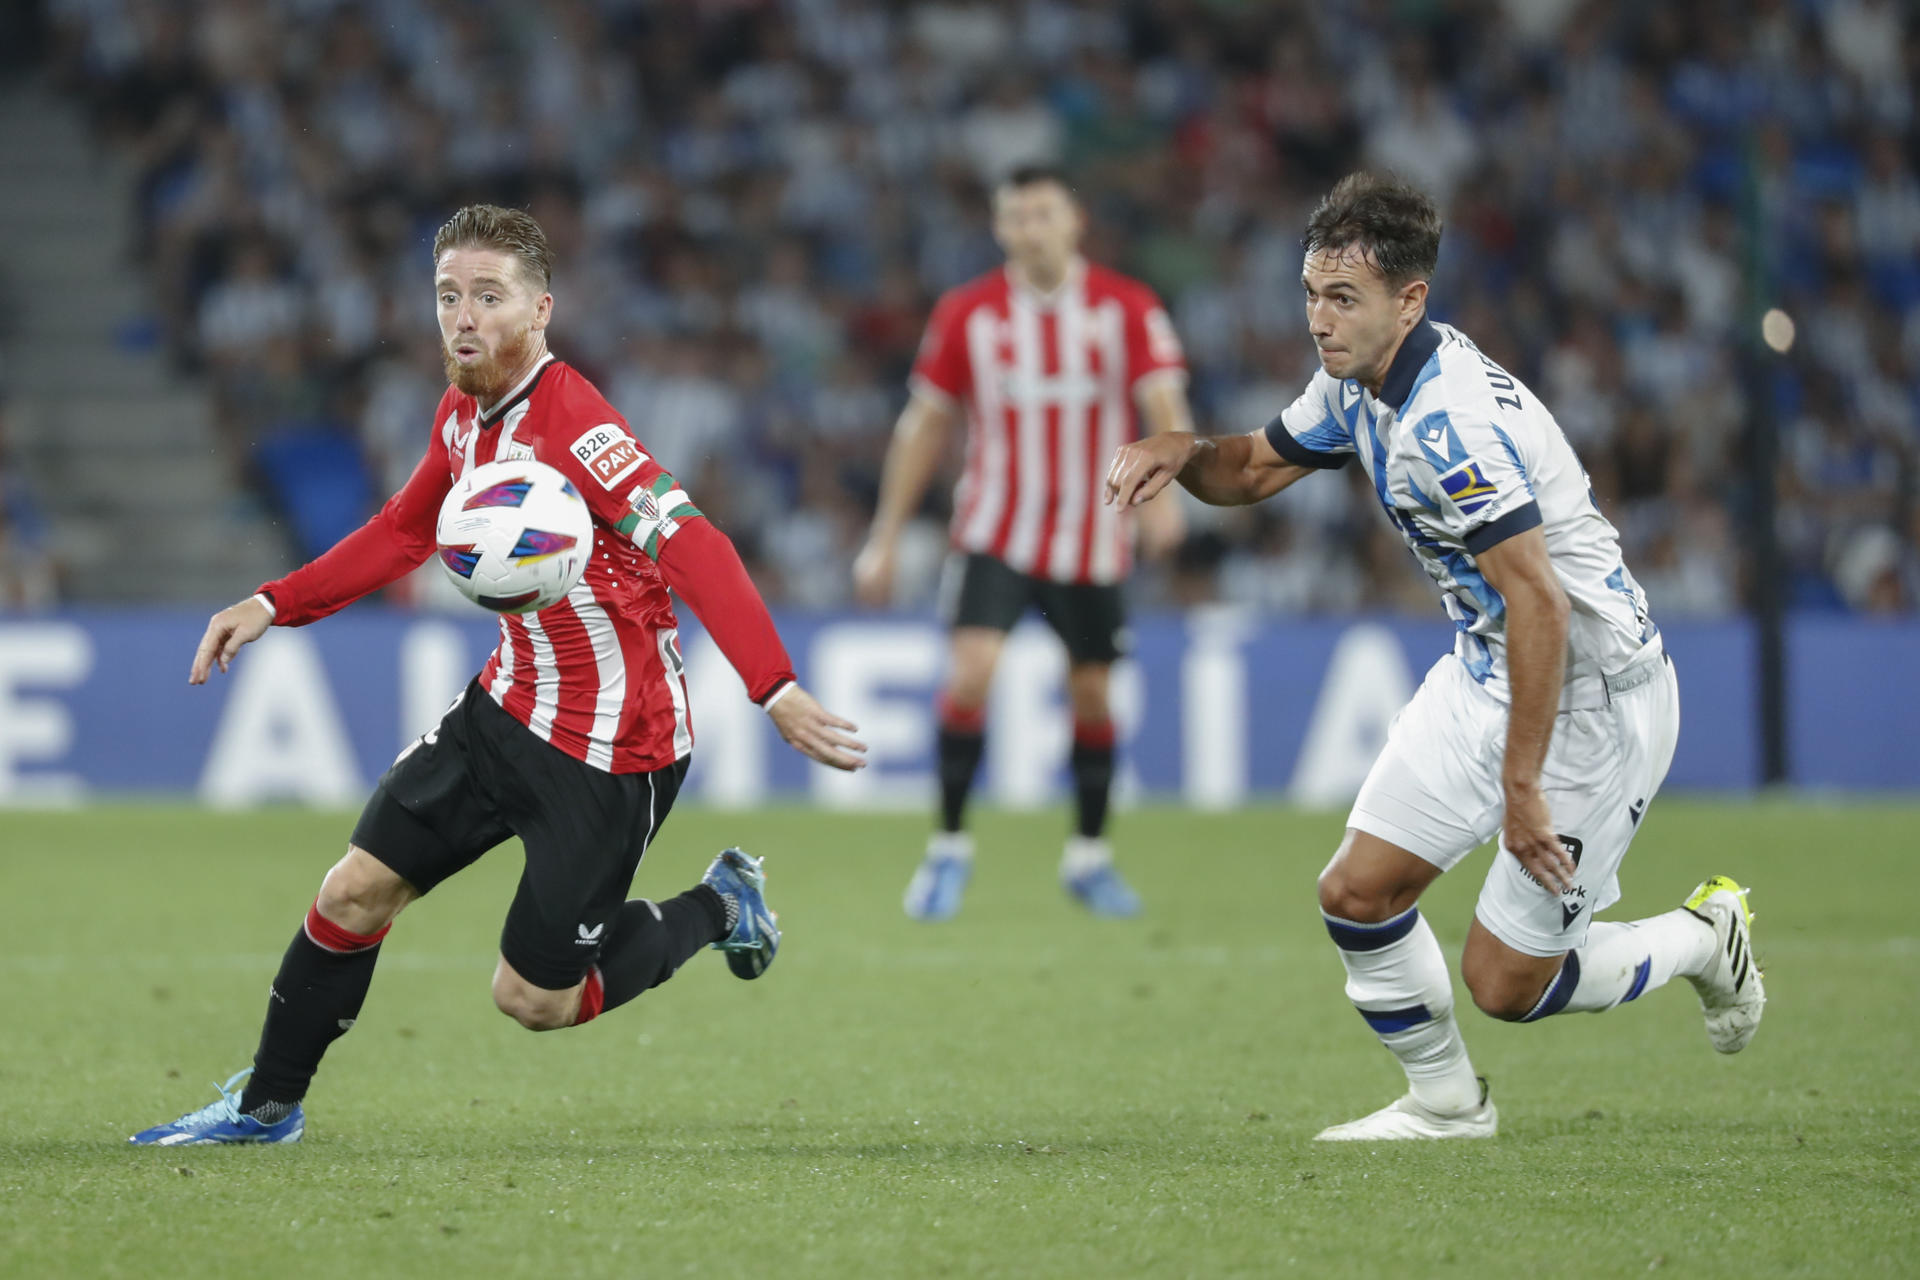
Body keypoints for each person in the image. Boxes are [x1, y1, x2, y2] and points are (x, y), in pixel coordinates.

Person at [131, 205, 867, 1146]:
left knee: (533, 999)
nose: (463, 317)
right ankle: (265, 1105)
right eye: (448, 296)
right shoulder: (462, 415)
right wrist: (274, 603)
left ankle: (721, 903)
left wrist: (774, 685)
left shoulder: (579, 428)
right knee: (353, 891)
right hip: (505, 707)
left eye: (489, 296)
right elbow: (402, 531)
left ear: (540, 310)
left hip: (612, 747)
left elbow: (697, 546)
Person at [1104, 173, 1764, 1140]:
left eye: (1344, 300)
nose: (1320, 322)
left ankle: (1705, 938)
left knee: (1509, 985)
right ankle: (1449, 1105)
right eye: (1312, 296)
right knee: (1357, 894)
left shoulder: (1449, 427)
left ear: (1409, 301)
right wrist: (1183, 445)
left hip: (1593, 694)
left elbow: (1540, 600)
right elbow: (1251, 466)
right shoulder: (1355, 384)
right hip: (1491, 667)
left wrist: (1522, 786)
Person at [853, 164, 1195, 921]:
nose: (1031, 228)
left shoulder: (1126, 308)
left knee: (1093, 693)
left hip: (1093, 534)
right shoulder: (968, 312)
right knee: (970, 674)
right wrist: (885, 536)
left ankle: (1090, 856)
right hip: (994, 531)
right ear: (1000, 228)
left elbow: (1162, 398)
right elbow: (924, 424)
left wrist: (1163, 497)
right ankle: (946, 849)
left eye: (1044, 213)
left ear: (1074, 219)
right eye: (1016, 217)